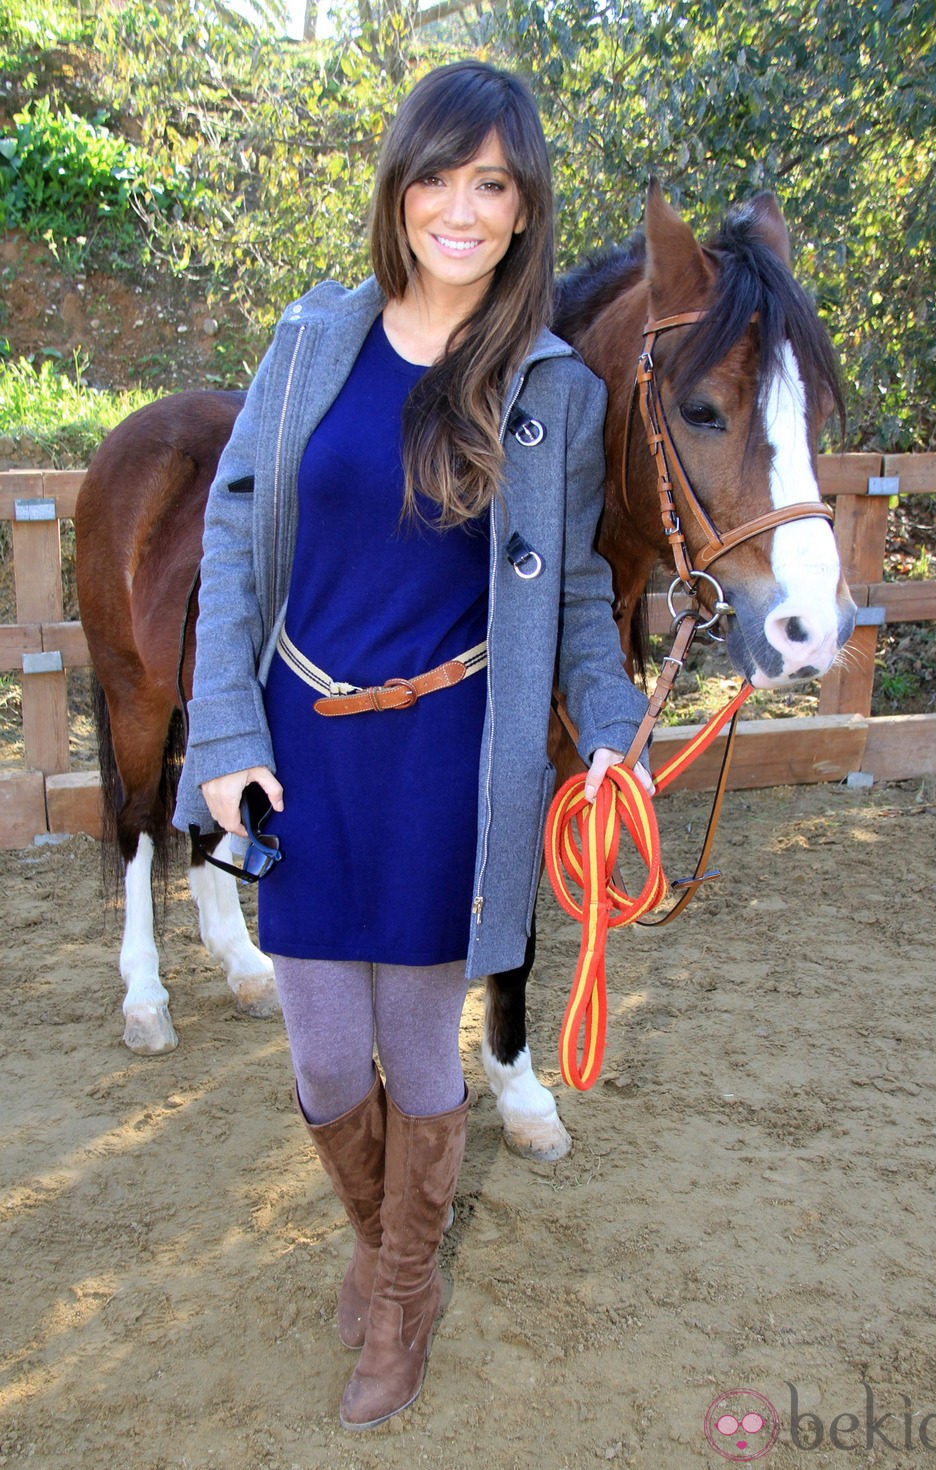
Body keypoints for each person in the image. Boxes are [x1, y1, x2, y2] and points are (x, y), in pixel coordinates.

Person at [173, 59, 651, 1431]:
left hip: (456, 757)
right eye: (437, 174)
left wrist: (610, 727)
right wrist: (220, 731)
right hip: (290, 754)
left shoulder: (549, 387)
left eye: (491, 183)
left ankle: (399, 1292)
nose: (459, 205)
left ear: (522, 210)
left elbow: (568, 598)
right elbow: (229, 541)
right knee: (322, 1057)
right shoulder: (308, 338)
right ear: (399, 185)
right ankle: (389, 1253)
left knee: (422, 1055)